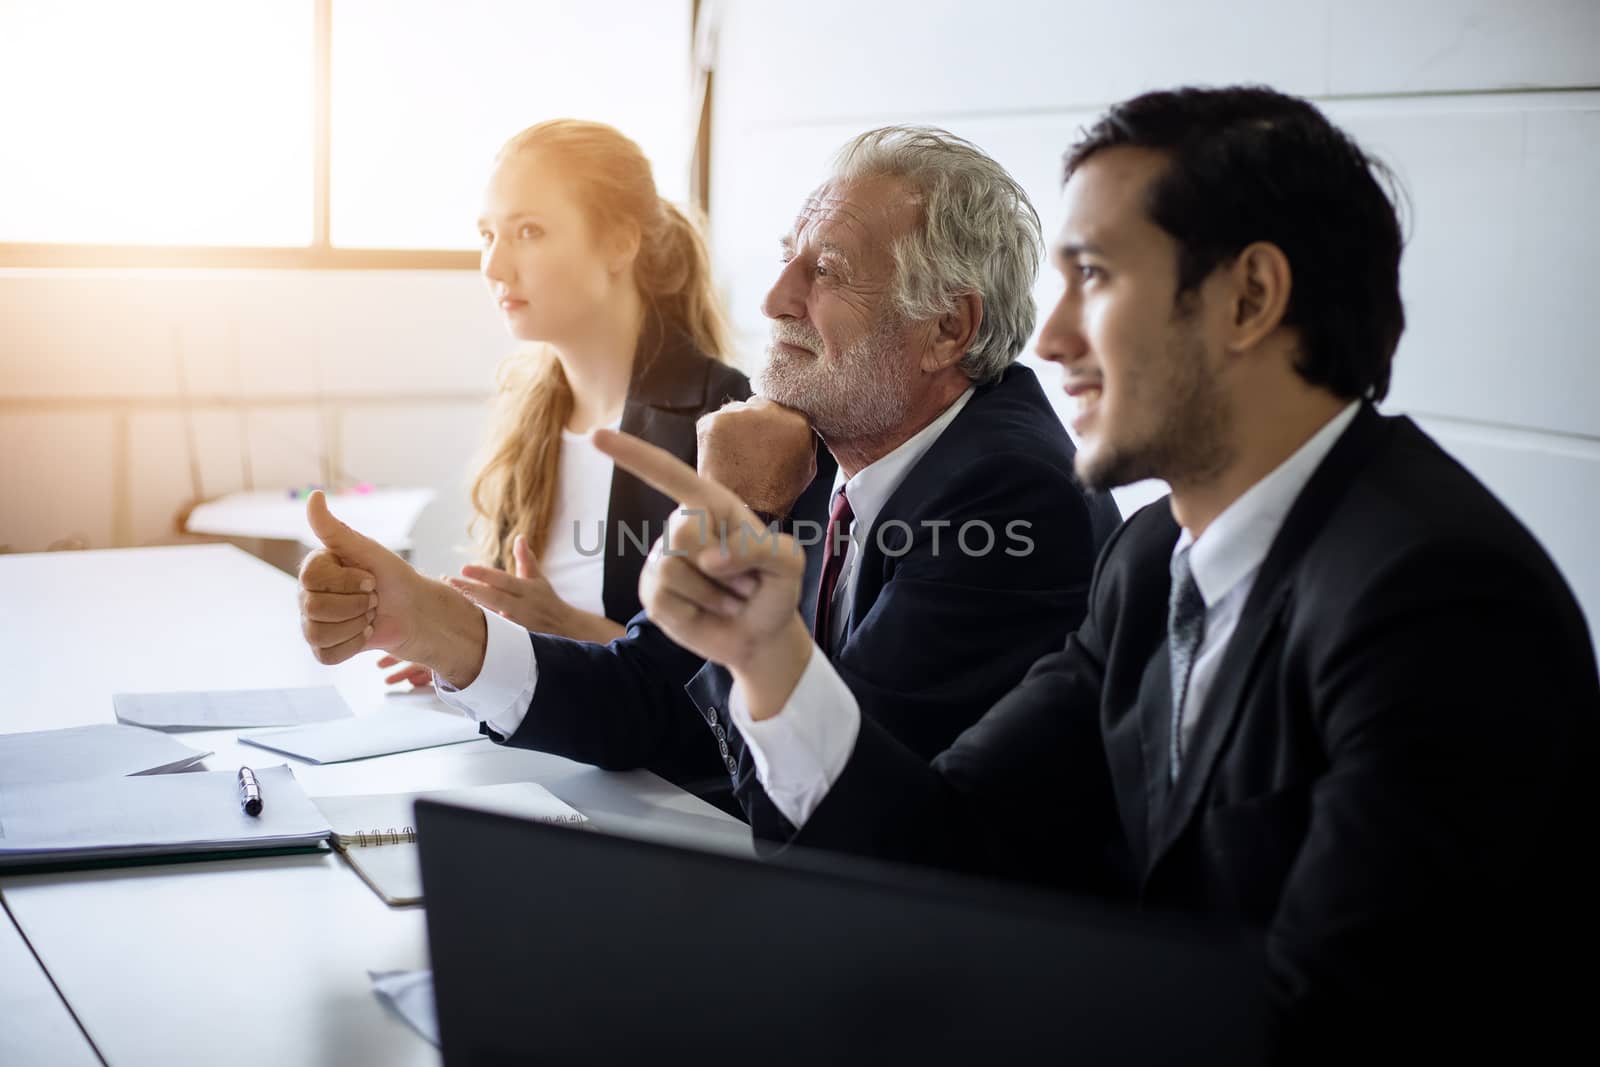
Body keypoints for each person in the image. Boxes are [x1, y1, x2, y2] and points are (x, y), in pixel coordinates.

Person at [594, 87, 1600, 1058]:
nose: (1054, 337)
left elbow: (1326, 1021)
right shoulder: (1152, 554)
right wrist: (769, 660)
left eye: (1096, 278)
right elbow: (944, 843)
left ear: (1249, 297)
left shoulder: (1439, 603)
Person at [297, 126, 1120, 815]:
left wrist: (733, 508)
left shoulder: (1009, 493)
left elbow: (817, 805)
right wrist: (427, 623)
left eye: (825, 270)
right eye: (787, 259)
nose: (772, 299)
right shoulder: (825, 444)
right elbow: (652, 694)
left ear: (948, 326)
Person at [370, 118, 750, 691]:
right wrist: (461, 643)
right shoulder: (528, 412)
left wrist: (561, 628)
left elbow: (729, 678)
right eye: (487, 235)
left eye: (528, 232)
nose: (494, 267)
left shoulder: (723, 417)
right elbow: (515, 621)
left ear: (621, 242)